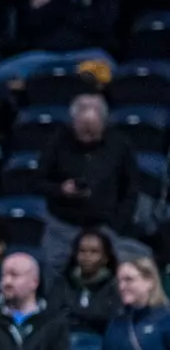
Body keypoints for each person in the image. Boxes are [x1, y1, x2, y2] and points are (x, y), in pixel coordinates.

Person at [38, 94, 140, 275]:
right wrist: (61, 189)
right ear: (74, 122)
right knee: (53, 274)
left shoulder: (120, 143)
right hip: (62, 226)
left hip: (104, 227)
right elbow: (37, 181)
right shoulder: (57, 141)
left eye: (93, 131)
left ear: (104, 123)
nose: (88, 136)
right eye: (83, 130)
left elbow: (130, 188)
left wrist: (117, 224)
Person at [101, 257, 170, 350]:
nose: (122, 286)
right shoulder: (117, 321)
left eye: (129, 280)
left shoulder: (166, 319)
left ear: (150, 282)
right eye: (119, 281)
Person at [64, 229, 120, 335]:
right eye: (82, 251)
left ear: (105, 258)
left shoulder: (115, 286)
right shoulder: (64, 283)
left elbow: (113, 319)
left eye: (94, 252)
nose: (87, 256)